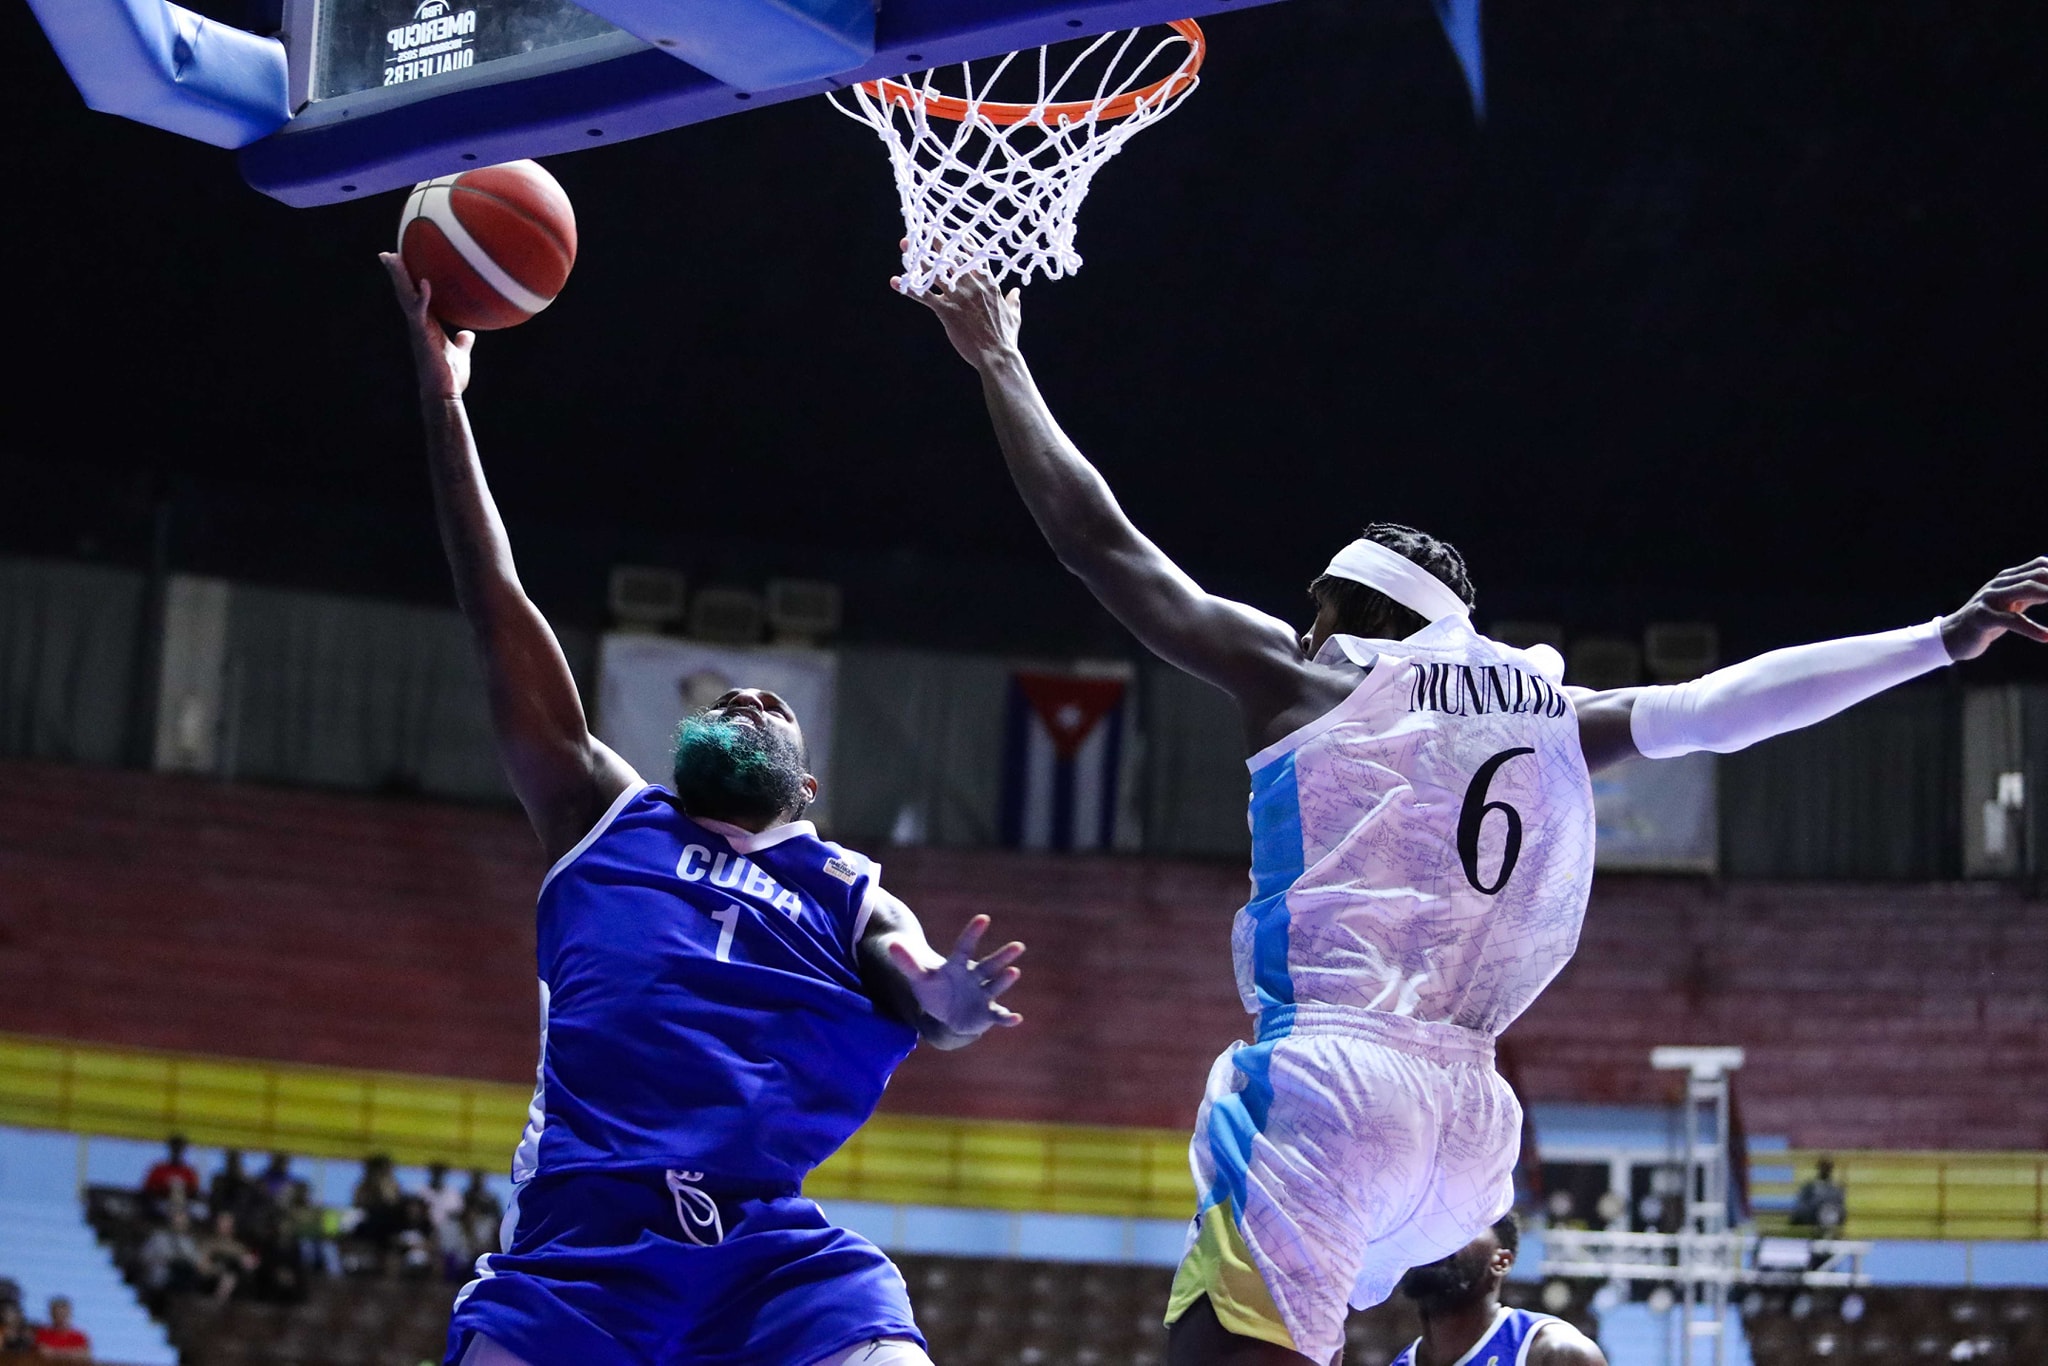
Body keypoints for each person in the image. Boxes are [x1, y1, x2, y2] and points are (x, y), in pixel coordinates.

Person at [908, 269, 2048, 1366]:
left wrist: (999, 360)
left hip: (1334, 1078)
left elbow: (1098, 545)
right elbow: (1719, 709)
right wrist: (1939, 638)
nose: (1302, 619)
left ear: (1364, 608)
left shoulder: (1306, 680)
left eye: (1322, 600)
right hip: (1470, 1131)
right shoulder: (1547, 708)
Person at [381, 255, 1026, 1366]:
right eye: (731, 695)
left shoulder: (840, 887)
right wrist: (444, 402)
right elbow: (495, 606)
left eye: (772, 705)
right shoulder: (601, 816)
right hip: (576, 1261)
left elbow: (919, 985)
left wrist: (951, 1000)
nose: (748, 694)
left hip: (766, 1258)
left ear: (805, 792)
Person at [1391, 1217, 1604, 1366]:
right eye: (1426, 1229)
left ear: (1501, 1261)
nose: (1438, 1241)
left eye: (1462, 1226)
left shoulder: (1557, 1354)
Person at [140, 1135, 200, 1214]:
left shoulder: (189, 1172)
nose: (177, 1151)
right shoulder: (158, 1170)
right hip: (160, 1205)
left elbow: (194, 1193)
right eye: (174, 1148)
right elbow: (147, 1191)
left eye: (179, 1149)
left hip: (183, 1208)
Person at [1790, 1158, 1847, 1235]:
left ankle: (1827, 1234)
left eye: (1827, 1168)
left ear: (1830, 1170)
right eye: (1823, 1167)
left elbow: (1840, 1207)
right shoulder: (1810, 1186)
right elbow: (1802, 1203)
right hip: (1811, 1217)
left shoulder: (1835, 1189)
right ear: (1819, 1168)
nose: (1825, 1170)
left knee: (1830, 1213)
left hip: (1829, 1217)